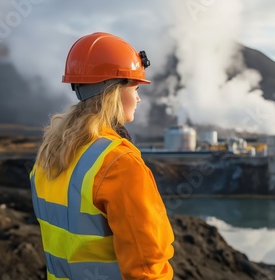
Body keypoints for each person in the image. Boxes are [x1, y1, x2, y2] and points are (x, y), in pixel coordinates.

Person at [30, 32, 174, 280]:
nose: (139, 98)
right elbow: (147, 264)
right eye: (136, 87)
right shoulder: (119, 163)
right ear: (115, 91)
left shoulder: (49, 154)